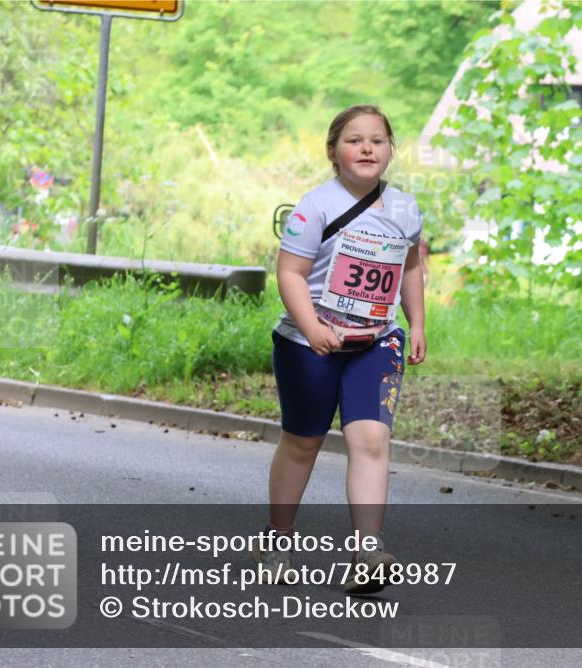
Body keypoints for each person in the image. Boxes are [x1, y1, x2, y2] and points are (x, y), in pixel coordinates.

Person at [255, 105, 426, 595]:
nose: (367, 148)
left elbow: (410, 267)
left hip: (376, 342)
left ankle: (367, 553)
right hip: (309, 345)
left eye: (378, 140)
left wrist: (416, 323)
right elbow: (289, 274)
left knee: (371, 441)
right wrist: (312, 328)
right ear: (333, 152)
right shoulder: (315, 207)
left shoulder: (405, 209)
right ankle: (277, 541)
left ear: (390, 149)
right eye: (354, 140)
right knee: (303, 442)